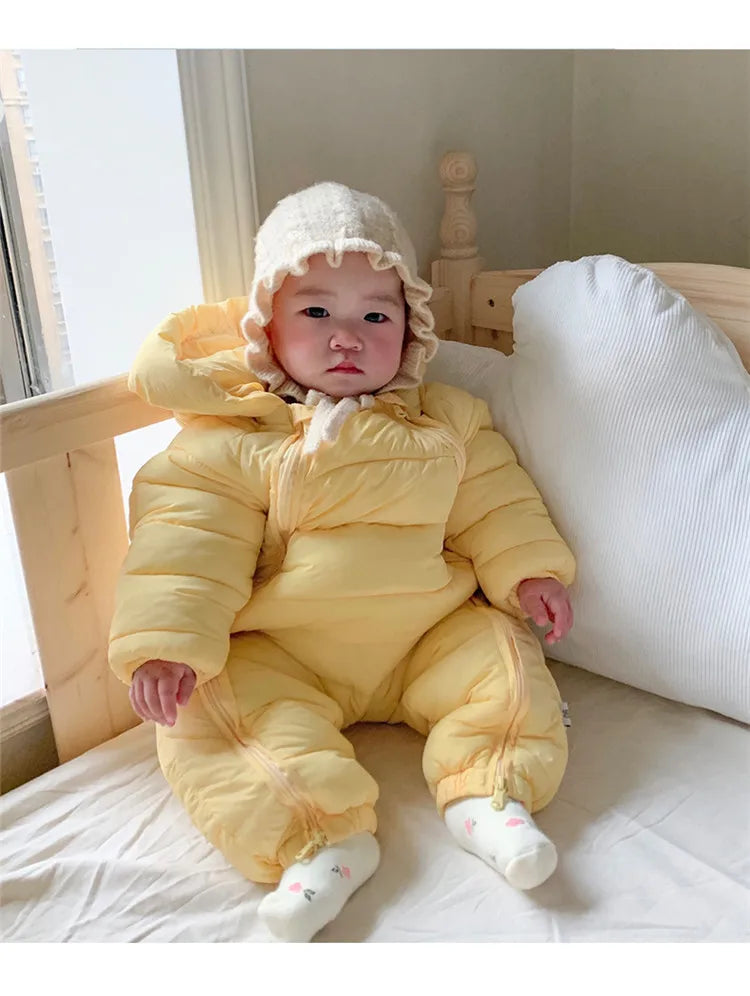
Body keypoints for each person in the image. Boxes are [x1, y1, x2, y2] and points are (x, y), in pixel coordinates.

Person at [109, 182, 575, 942]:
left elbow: (496, 502)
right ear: (267, 326)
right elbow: (185, 543)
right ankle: (319, 840)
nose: (347, 337)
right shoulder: (233, 438)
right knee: (217, 717)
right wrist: (166, 643)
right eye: (317, 313)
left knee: (504, 664)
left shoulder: (448, 421)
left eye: (376, 316)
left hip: (424, 633)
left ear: (412, 328)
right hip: (283, 649)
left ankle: (490, 797)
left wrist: (529, 572)